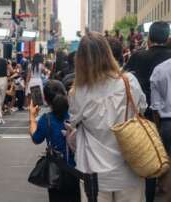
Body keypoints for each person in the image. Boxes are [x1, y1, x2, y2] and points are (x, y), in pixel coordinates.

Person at [68, 32, 147, 202]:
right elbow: (142, 108)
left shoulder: (77, 92)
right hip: (129, 167)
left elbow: (74, 121)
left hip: (94, 173)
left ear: (80, 60)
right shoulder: (129, 81)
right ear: (107, 53)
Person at [125, 21, 171, 201]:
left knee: (151, 162)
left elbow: (125, 80)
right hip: (162, 117)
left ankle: (150, 196)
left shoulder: (138, 57)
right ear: (167, 38)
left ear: (149, 38)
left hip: (145, 119)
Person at [29, 80, 79, 202]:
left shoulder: (46, 120)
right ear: (65, 94)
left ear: (45, 100)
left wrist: (32, 117)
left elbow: (36, 139)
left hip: (55, 173)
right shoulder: (76, 115)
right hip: (77, 170)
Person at [150, 58, 171, 194]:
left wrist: (157, 130)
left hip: (167, 124)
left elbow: (155, 106)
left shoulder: (160, 69)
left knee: (167, 163)